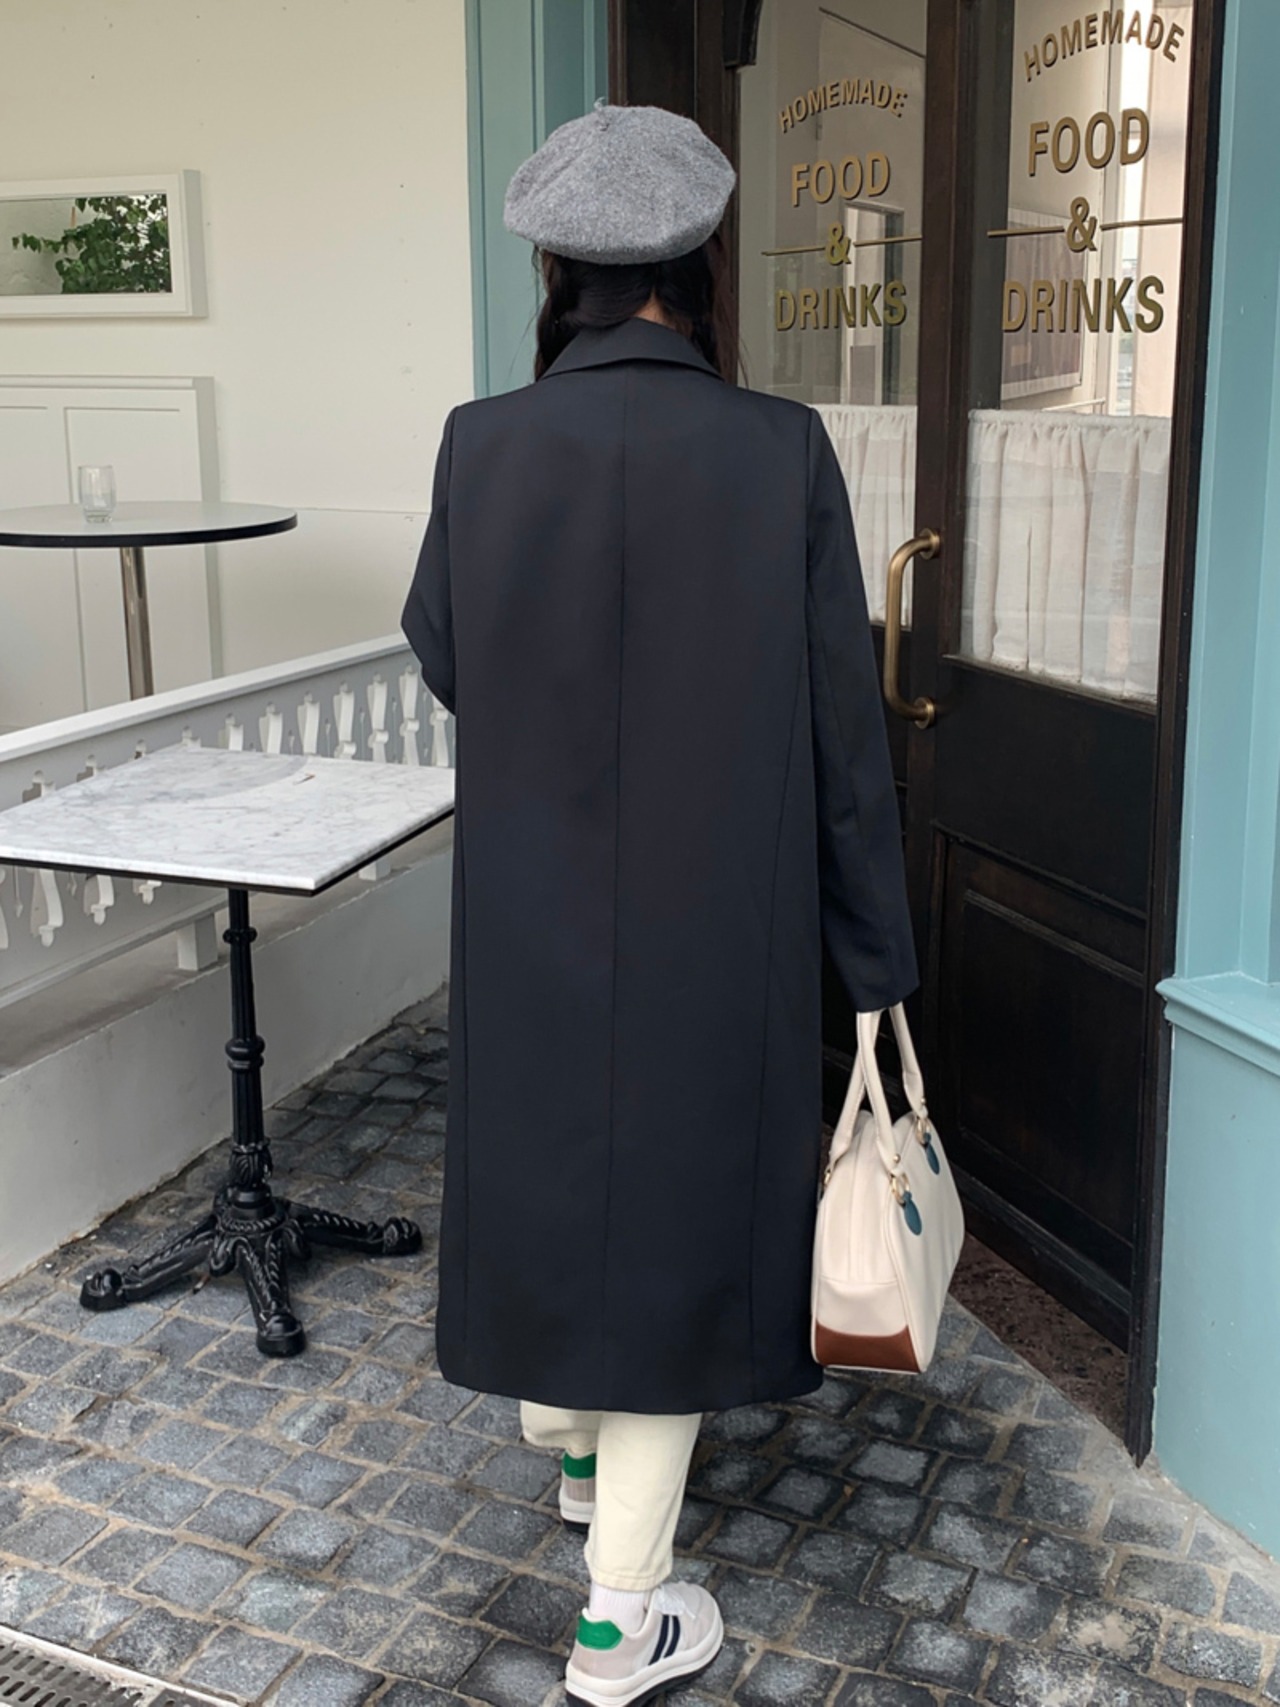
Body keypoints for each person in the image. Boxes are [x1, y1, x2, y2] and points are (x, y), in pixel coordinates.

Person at [402, 99, 917, 1707]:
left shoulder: (483, 441)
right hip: (719, 925)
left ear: (556, 267)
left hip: (534, 908)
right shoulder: (779, 450)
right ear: (697, 265)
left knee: (559, 1186)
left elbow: (447, 654)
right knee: (681, 1218)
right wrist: (873, 964)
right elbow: (843, 732)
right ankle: (622, 1622)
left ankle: (577, 1459)